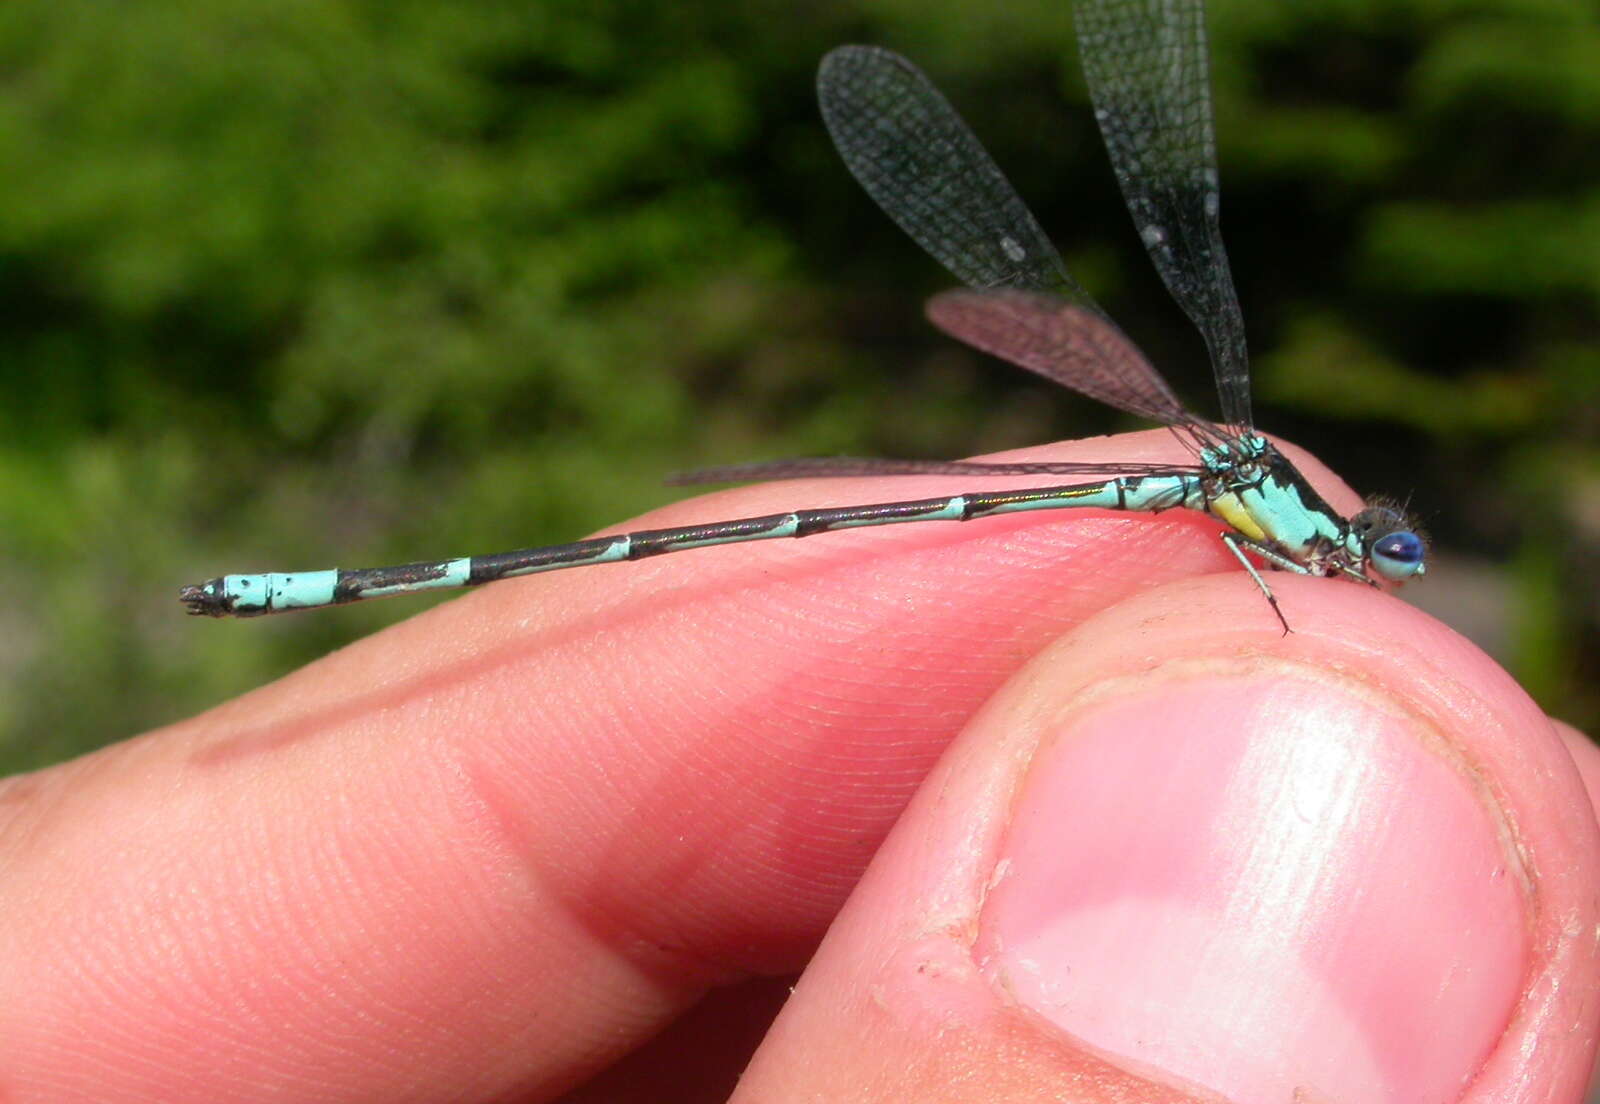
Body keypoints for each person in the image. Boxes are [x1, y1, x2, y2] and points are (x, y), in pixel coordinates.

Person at [4, 432, 1597, 1102]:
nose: (1374, 563)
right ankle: (300, 586)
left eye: (1374, 558)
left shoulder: (1274, 525)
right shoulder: (1273, 529)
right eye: (1373, 555)